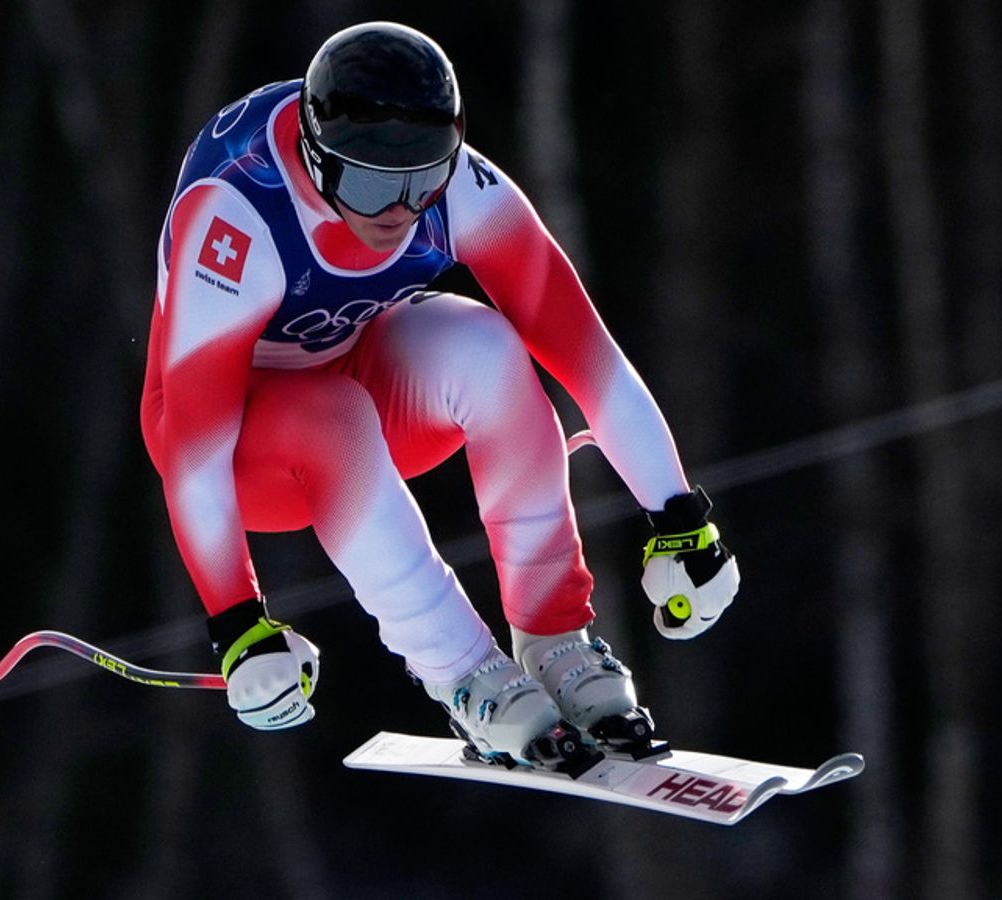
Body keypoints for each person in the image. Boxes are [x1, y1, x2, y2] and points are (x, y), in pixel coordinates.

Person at [140, 21, 740, 769]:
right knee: (331, 417)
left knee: (488, 345)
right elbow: (197, 455)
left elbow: (592, 360)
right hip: (236, 455)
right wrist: (238, 626)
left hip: (351, 371)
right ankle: (466, 676)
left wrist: (680, 518)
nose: (397, 210)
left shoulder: (460, 187)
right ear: (316, 159)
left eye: (421, 181)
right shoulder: (236, 218)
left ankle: (558, 640)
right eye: (369, 184)